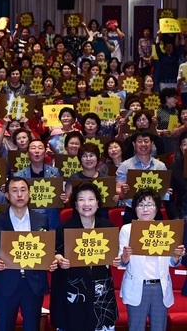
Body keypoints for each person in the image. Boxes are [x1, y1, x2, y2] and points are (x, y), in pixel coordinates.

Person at [0, 176, 58, 331]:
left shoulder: (41, 219)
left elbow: (46, 249)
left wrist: (50, 260)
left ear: (29, 193)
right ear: (6, 195)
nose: (19, 194)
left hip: (33, 283)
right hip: (6, 282)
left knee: (32, 326)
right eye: (14, 190)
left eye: (23, 190)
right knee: (4, 326)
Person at [50, 182, 119, 330]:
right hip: (74, 292)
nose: (86, 204)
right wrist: (59, 259)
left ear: (98, 203)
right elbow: (54, 254)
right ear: (75, 204)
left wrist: (117, 259)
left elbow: (115, 255)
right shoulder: (64, 228)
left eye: (91, 199)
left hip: (101, 293)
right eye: (81, 199)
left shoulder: (107, 227)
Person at [118, 188, 185, 330]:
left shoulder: (166, 229)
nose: (145, 209)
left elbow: (172, 263)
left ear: (157, 208)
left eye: (150, 204)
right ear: (135, 209)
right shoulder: (127, 229)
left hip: (160, 287)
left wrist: (176, 256)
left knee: (159, 327)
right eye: (141, 205)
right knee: (135, 327)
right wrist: (125, 256)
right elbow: (121, 263)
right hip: (137, 285)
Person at [116, 129, 170, 223]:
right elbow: (118, 191)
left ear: (152, 144)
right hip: (132, 211)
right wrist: (123, 192)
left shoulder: (160, 166)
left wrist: (166, 191)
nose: (143, 144)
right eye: (139, 141)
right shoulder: (125, 166)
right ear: (134, 144)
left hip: (155, 211)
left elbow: (164, 192)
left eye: (146, 141)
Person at [14, 139, 64, 229]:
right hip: (28, 216)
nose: (37, 151)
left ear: (45, 153)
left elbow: (58, 197)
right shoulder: (19, 176)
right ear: (28, 154)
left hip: (51, 218)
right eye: (33, 148)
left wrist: (62, 196)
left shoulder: (54, 172)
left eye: (40, 148)